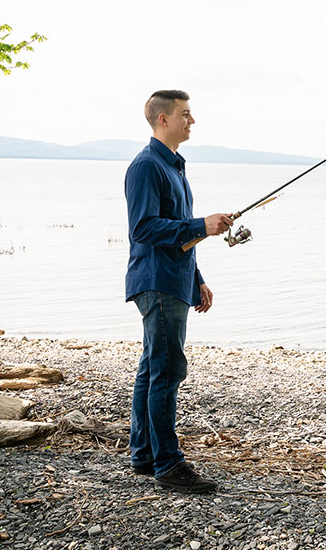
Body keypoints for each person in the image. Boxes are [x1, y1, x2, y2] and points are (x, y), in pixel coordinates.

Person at [124, 89, 234, 493]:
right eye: (185, 114)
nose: (192, 121)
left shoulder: (174, 166)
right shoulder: (147, 166)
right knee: (167, 371)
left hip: (173, 279)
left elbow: (178, 230)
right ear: (162, 119)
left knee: (152, 368)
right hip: (155, 281)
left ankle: (145, 454)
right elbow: (144, 229)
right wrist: (200, 225)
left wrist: (197, 279)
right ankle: (169, 465)